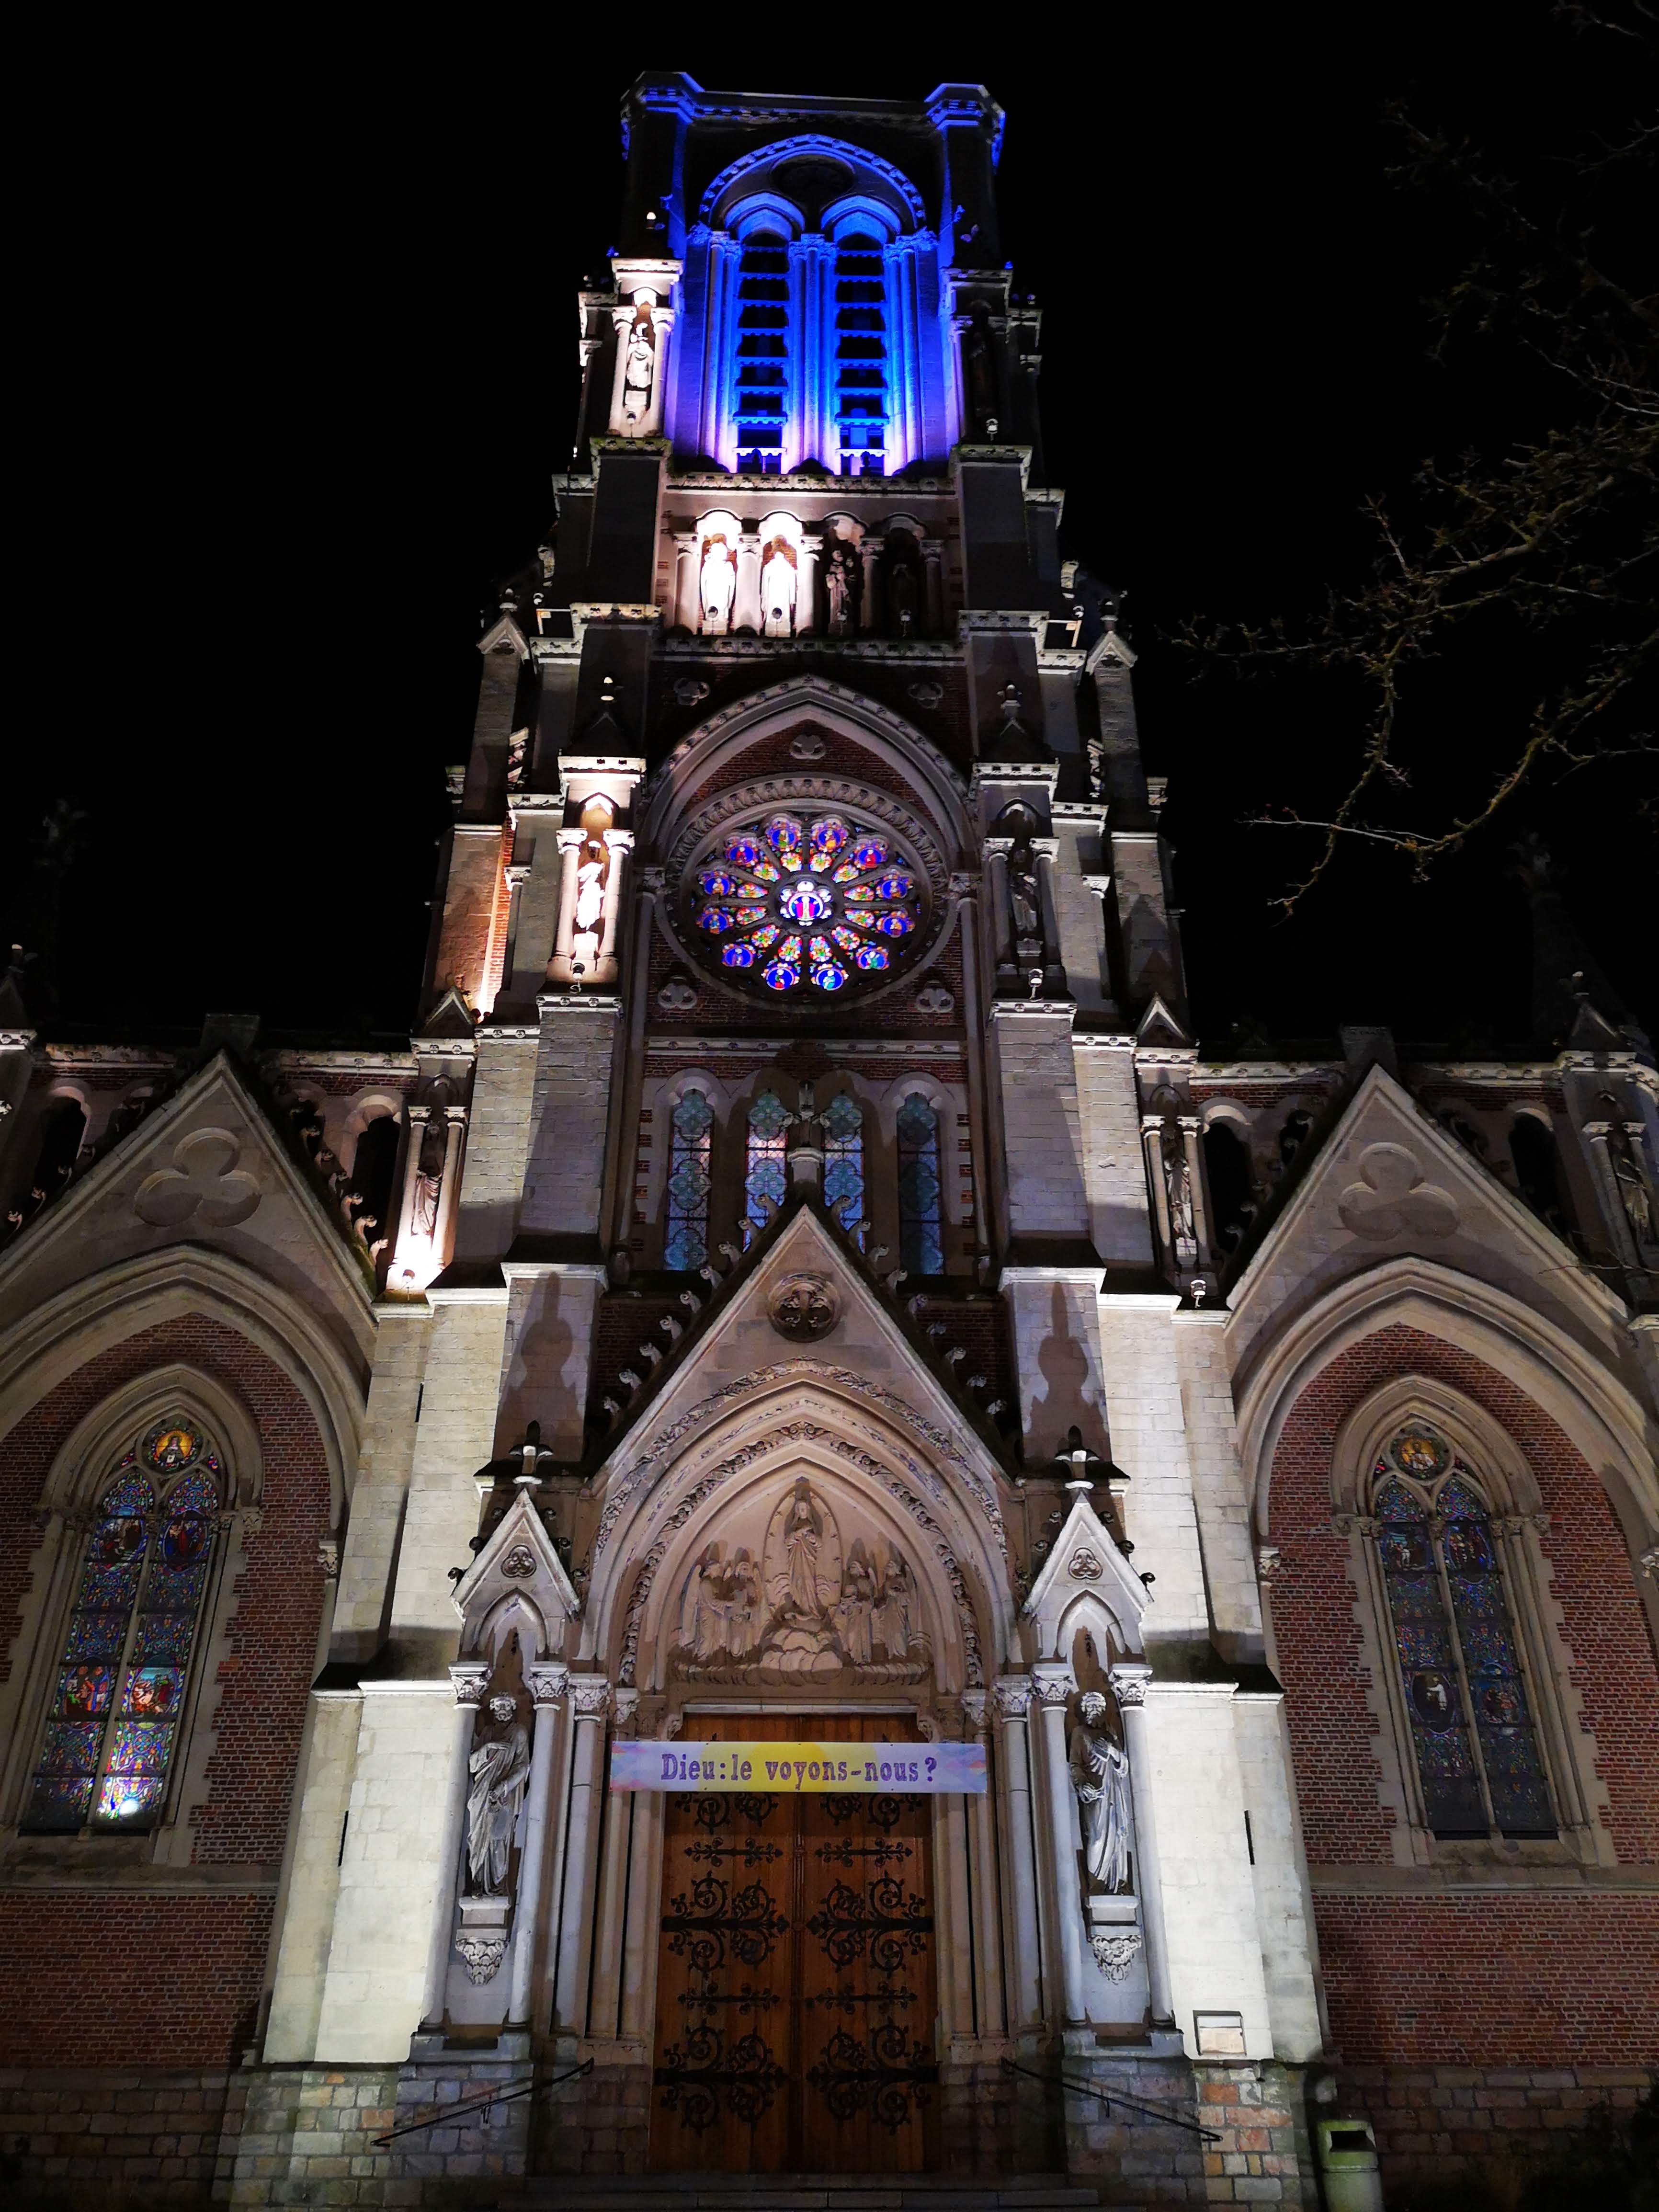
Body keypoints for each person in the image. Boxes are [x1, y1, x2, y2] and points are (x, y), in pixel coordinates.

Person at [465, 1694, 531, 1895]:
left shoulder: (518, 1732)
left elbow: (523, 1766)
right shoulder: (488, 1733)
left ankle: (496, 1885)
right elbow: (473, 1764)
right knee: (477, 1837)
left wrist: (503, 1787)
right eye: (499, 1707)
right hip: (482, 1791)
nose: (502, 1711)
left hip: (503, 1795)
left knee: (497, 1837)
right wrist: (488, 1747)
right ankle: (477, 1881)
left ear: (512, 1709)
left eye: (506, 1707)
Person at [1069, 1690, 1132, 1893]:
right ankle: (1097, 1882)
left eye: (1098, 1706)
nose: (1095, 1709)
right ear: (1085, 1709)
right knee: (1098, 1838)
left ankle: (1118, 1882)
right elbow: (1075, 1765)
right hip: (1096, 1792)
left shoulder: (1110, 1733)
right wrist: (1082, 1785)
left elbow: (1124, 1765)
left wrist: (1112, 1751)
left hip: (1114, 1790)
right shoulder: (1080, 1733)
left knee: (1118, 1836)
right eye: (1091, 1706)